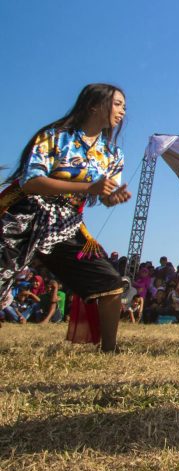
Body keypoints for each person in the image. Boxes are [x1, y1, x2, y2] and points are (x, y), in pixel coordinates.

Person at [0, 84, 131, 351]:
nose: (122, 112)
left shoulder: (112, 154)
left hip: (65, 223)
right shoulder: (54, 137)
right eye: (117, 104)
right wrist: (88, 188)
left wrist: (112, 197)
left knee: (110, 282)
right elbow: (31, 182)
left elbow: (104, 194)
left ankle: (110, 349)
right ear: (94, 105)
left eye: (124, 107)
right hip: (23, 213)